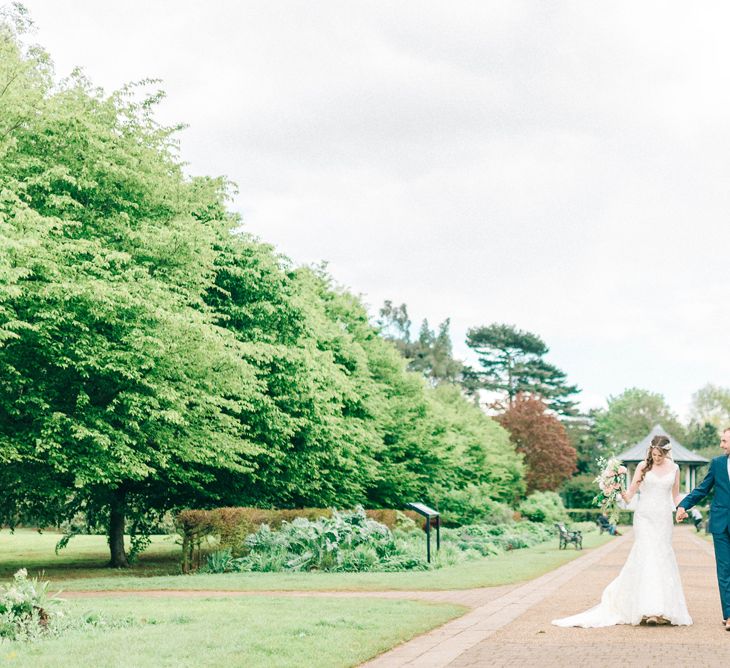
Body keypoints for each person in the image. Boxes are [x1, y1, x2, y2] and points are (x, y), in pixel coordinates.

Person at [552, 435, 692, 627]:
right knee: (647, 556)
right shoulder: (643, 466)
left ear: (666, 453)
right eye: (654, 454)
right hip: (644, 518)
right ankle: (649, 610)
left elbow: (675, 496)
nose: (656, 458)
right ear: (651, 451)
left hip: (663, 518)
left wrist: (681, 509)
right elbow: (629, 496)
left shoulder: (675, 468)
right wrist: (614, 486)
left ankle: (662, 609)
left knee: (662, 557)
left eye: (660, 455)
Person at [676, 427, 730, 631]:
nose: (721, 444)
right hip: (721, 524)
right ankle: (729, 615)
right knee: (725, 571)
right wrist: (683, 505)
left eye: (724, 440)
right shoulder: (717, 463)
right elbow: (702, 488)